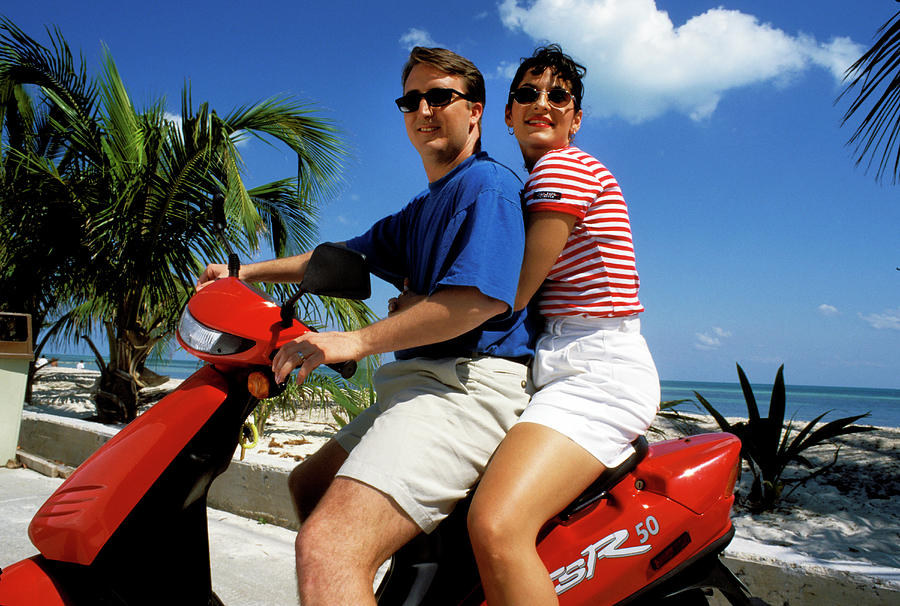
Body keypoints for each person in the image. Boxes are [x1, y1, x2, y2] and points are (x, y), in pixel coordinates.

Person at [196, 47, 538, 606]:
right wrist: (240, 272)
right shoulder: (423, 207)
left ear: (474, 110)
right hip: (421, 384)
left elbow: (475, 303)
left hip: (467, 387)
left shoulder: (488, 188)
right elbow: (334, 258)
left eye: (440, 97)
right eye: (412, 100)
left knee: (328, 548)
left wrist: (350, 340)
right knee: (307, 482)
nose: (423, 109)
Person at [466, 45, 660, 605]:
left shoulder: (563, 167)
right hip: (562, 362)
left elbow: (511, 292)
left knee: (498, 527)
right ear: (506, 113)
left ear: (576, 118)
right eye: (527, 94)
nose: (541, 103)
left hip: (595, 372)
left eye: (559, 96)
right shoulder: (535, 180)